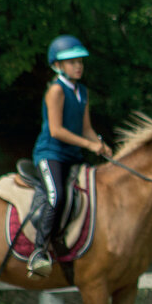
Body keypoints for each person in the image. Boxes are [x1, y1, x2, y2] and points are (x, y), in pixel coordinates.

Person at [28, 34, 112, 277]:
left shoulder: (82, 91)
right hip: (51, 154)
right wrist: (89, 144)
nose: (78, 66)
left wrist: (100, 144)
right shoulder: (56, 90)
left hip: (73, 155)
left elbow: (86, 127)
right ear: (58, 65)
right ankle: (39, 253)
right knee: (57, 196)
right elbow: (56, 130)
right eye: (72, 62)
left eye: (80, 62)